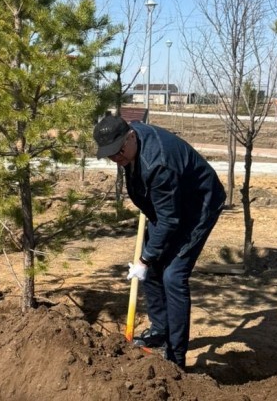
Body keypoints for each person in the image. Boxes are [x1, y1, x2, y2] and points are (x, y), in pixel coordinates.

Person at [93, 113, 225, 369]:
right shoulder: (131, 145)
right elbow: (163, 213)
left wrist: (144, 258)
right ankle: (161, 329)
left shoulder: (159, 164)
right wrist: (148, 260)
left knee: (173, 276)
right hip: (167, 207)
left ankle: (175, 356)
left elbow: (170, 221)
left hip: (198, 207)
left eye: (118, 152)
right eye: (110, 155)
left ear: (131, 136)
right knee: (153, 268)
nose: (116, 159)